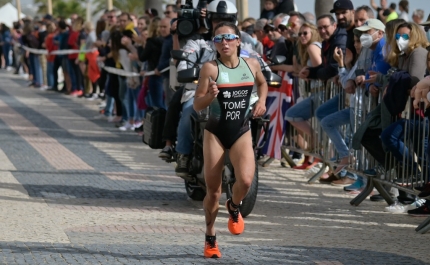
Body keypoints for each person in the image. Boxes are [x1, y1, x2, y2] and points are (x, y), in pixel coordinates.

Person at [193, 21, 267, 259]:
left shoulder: (252, 64)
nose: (223, 43)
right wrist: (210, 96)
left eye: (227, 38)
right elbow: (197, 105)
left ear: (238, 41)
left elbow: (263, 83)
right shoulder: (210, 69)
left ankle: (234, 206)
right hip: (215, 132)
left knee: (245, 181)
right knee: (213, 192)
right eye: (218, 39)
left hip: (241, 131)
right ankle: (210, 236)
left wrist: (262, 102)